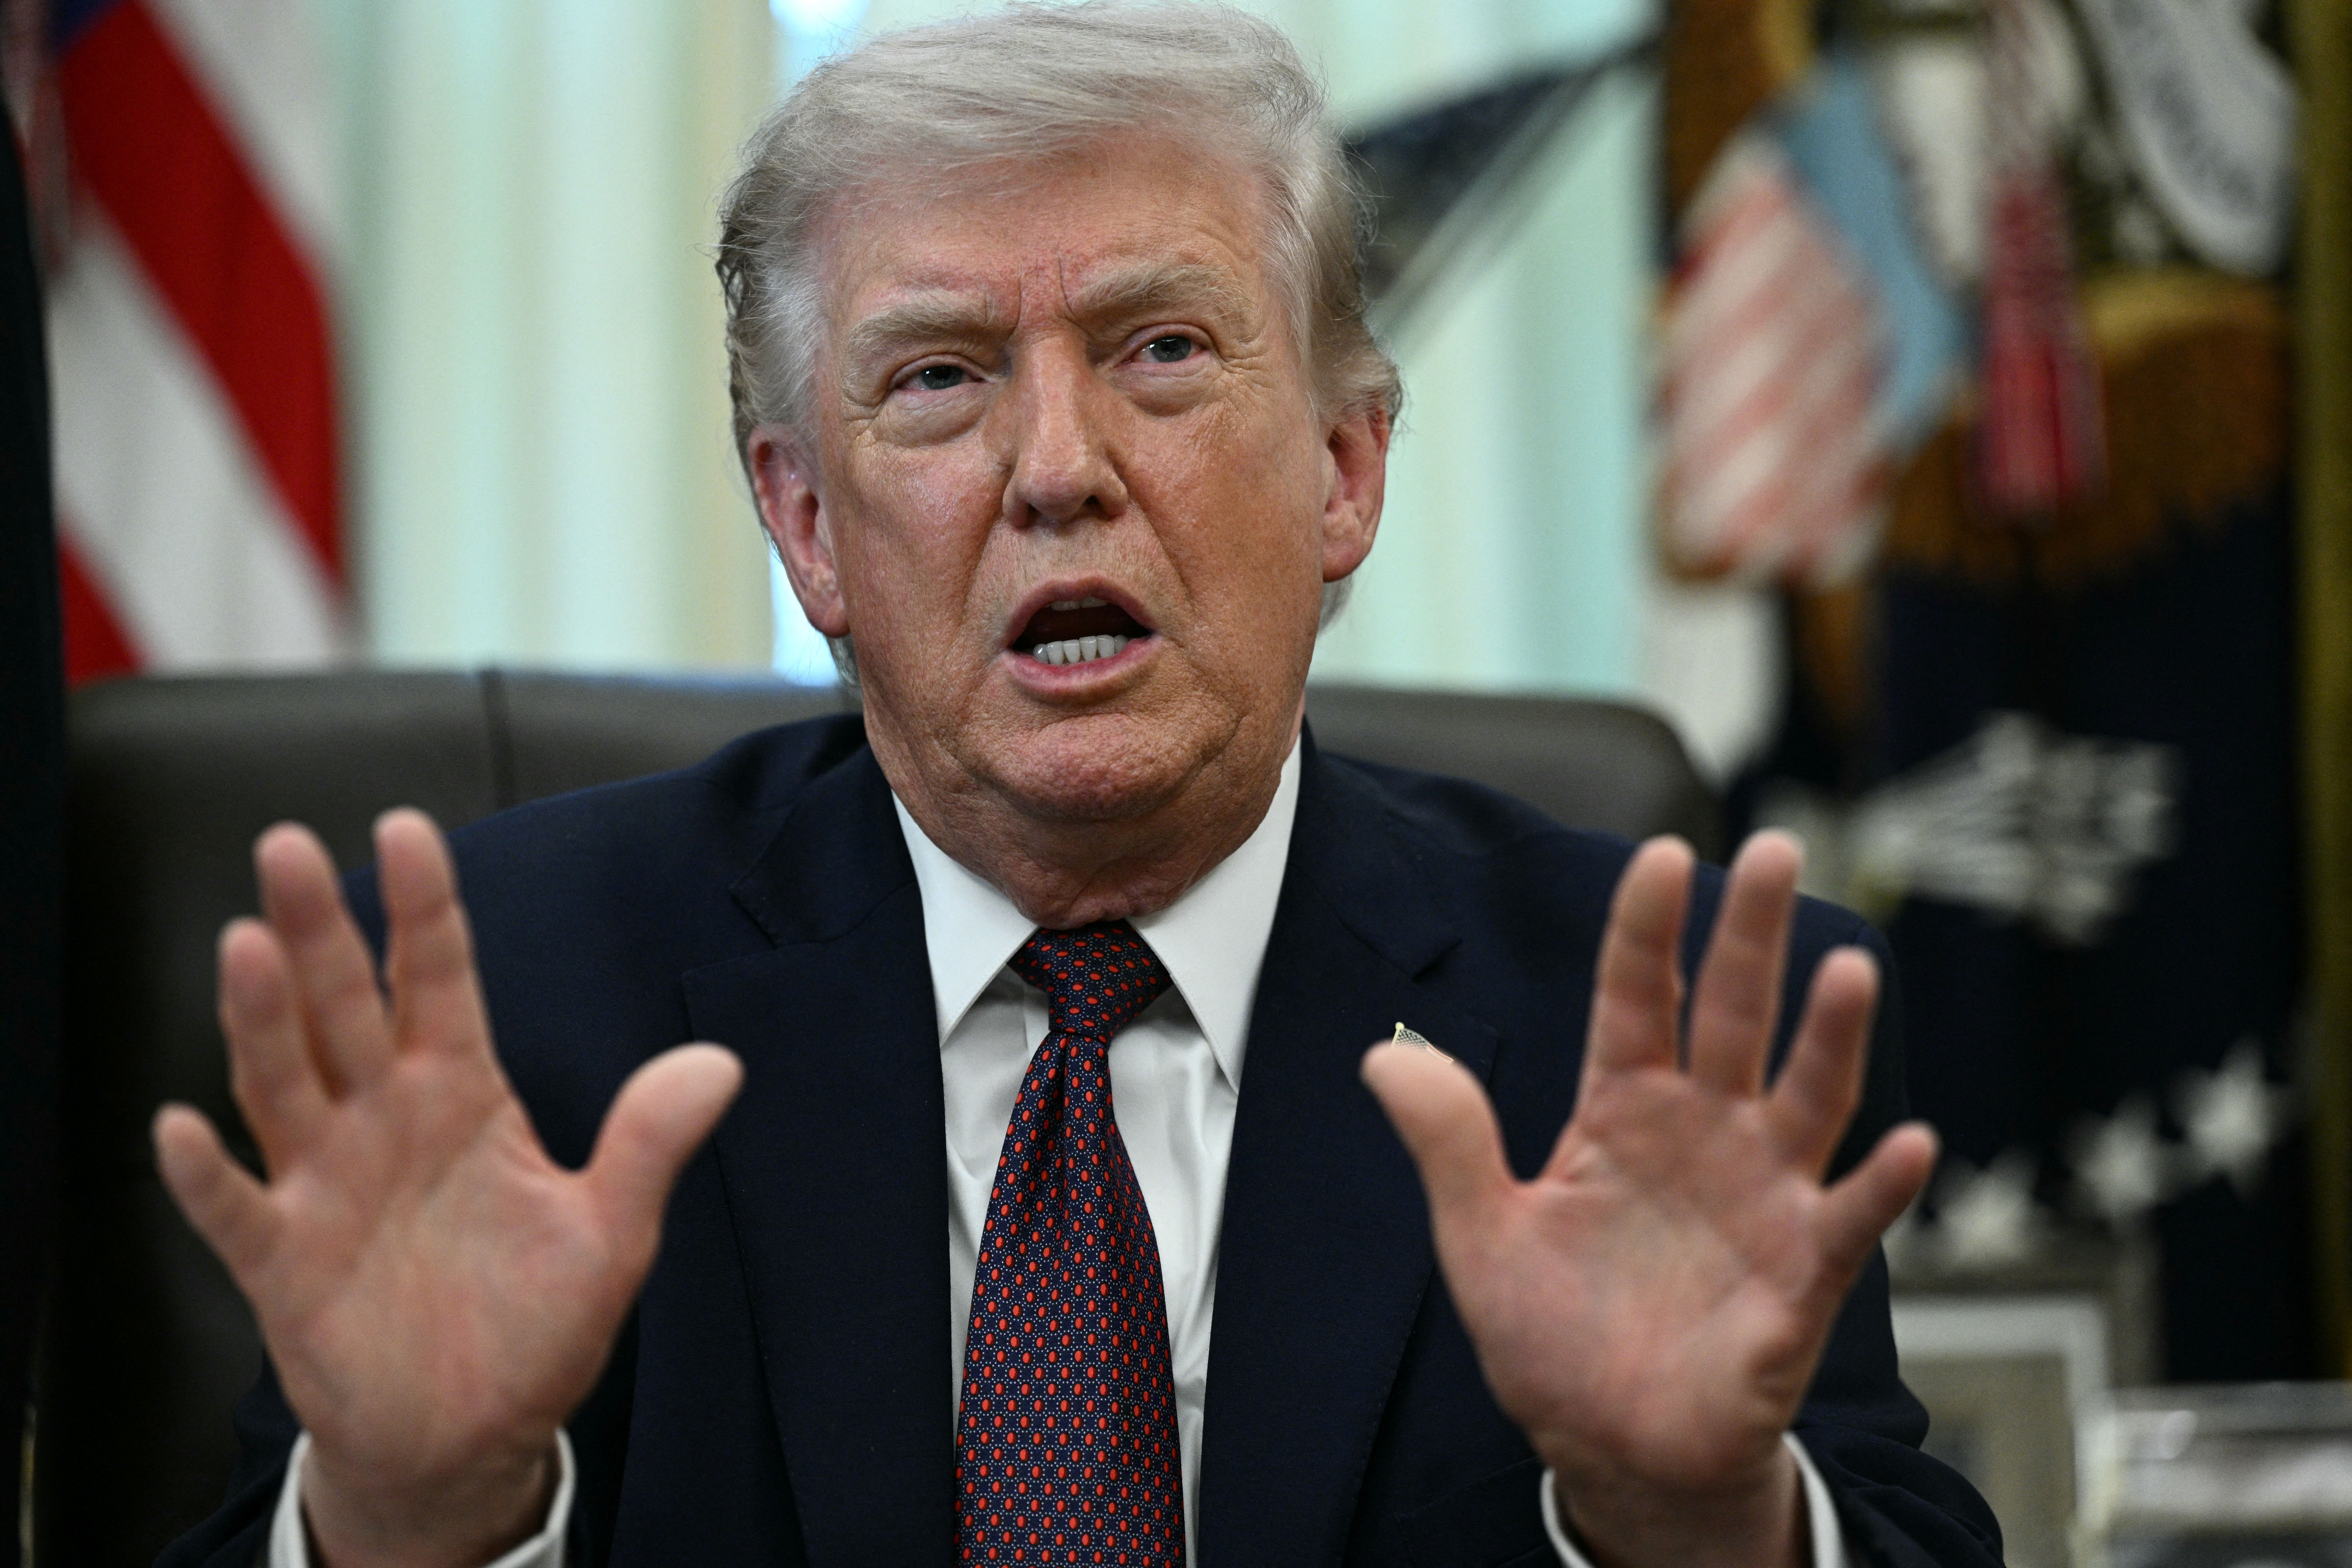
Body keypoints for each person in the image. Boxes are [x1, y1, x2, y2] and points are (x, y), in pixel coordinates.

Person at [156, 6, 2000, 1566]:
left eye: (1164, 352)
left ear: (1348, 467)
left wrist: (1690, 1518)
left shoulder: (1650, 1037)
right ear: (806, 521)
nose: (1058, 469)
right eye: (942, 379)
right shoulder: (511, 1013)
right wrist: (417, 1514)